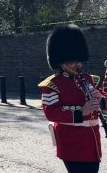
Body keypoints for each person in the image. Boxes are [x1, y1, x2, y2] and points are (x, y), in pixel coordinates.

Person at [38, 24, 107, 173]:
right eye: (73, 61)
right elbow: (51, 112)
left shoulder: (89, 79)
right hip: (71, 144)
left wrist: (101, 100)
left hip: (92, 142)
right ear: (61, 62)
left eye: (79, 60)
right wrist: (81, 111)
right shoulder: (52, 85)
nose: (79, 64)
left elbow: (102, 103)